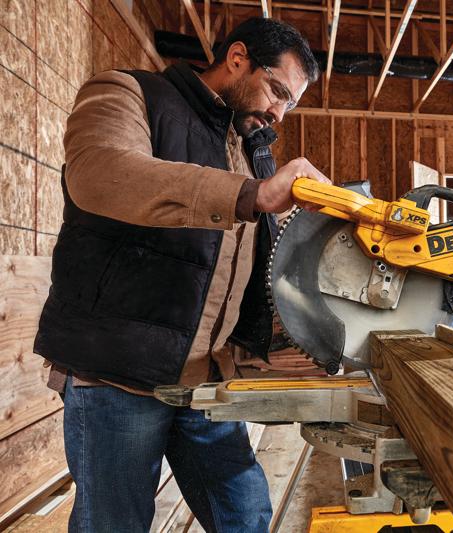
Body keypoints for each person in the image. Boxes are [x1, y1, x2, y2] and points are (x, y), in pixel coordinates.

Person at [33, 17, 329, 532]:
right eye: (276, 91)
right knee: (114, 524)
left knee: (246, 515)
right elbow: (100, 173)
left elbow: (247, 269)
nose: (278, 113)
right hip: (116, 376)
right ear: (237, 60)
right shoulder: (127, 93)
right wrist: (253, 195)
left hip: (203, 381)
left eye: (289, 104)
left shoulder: (248, 150)